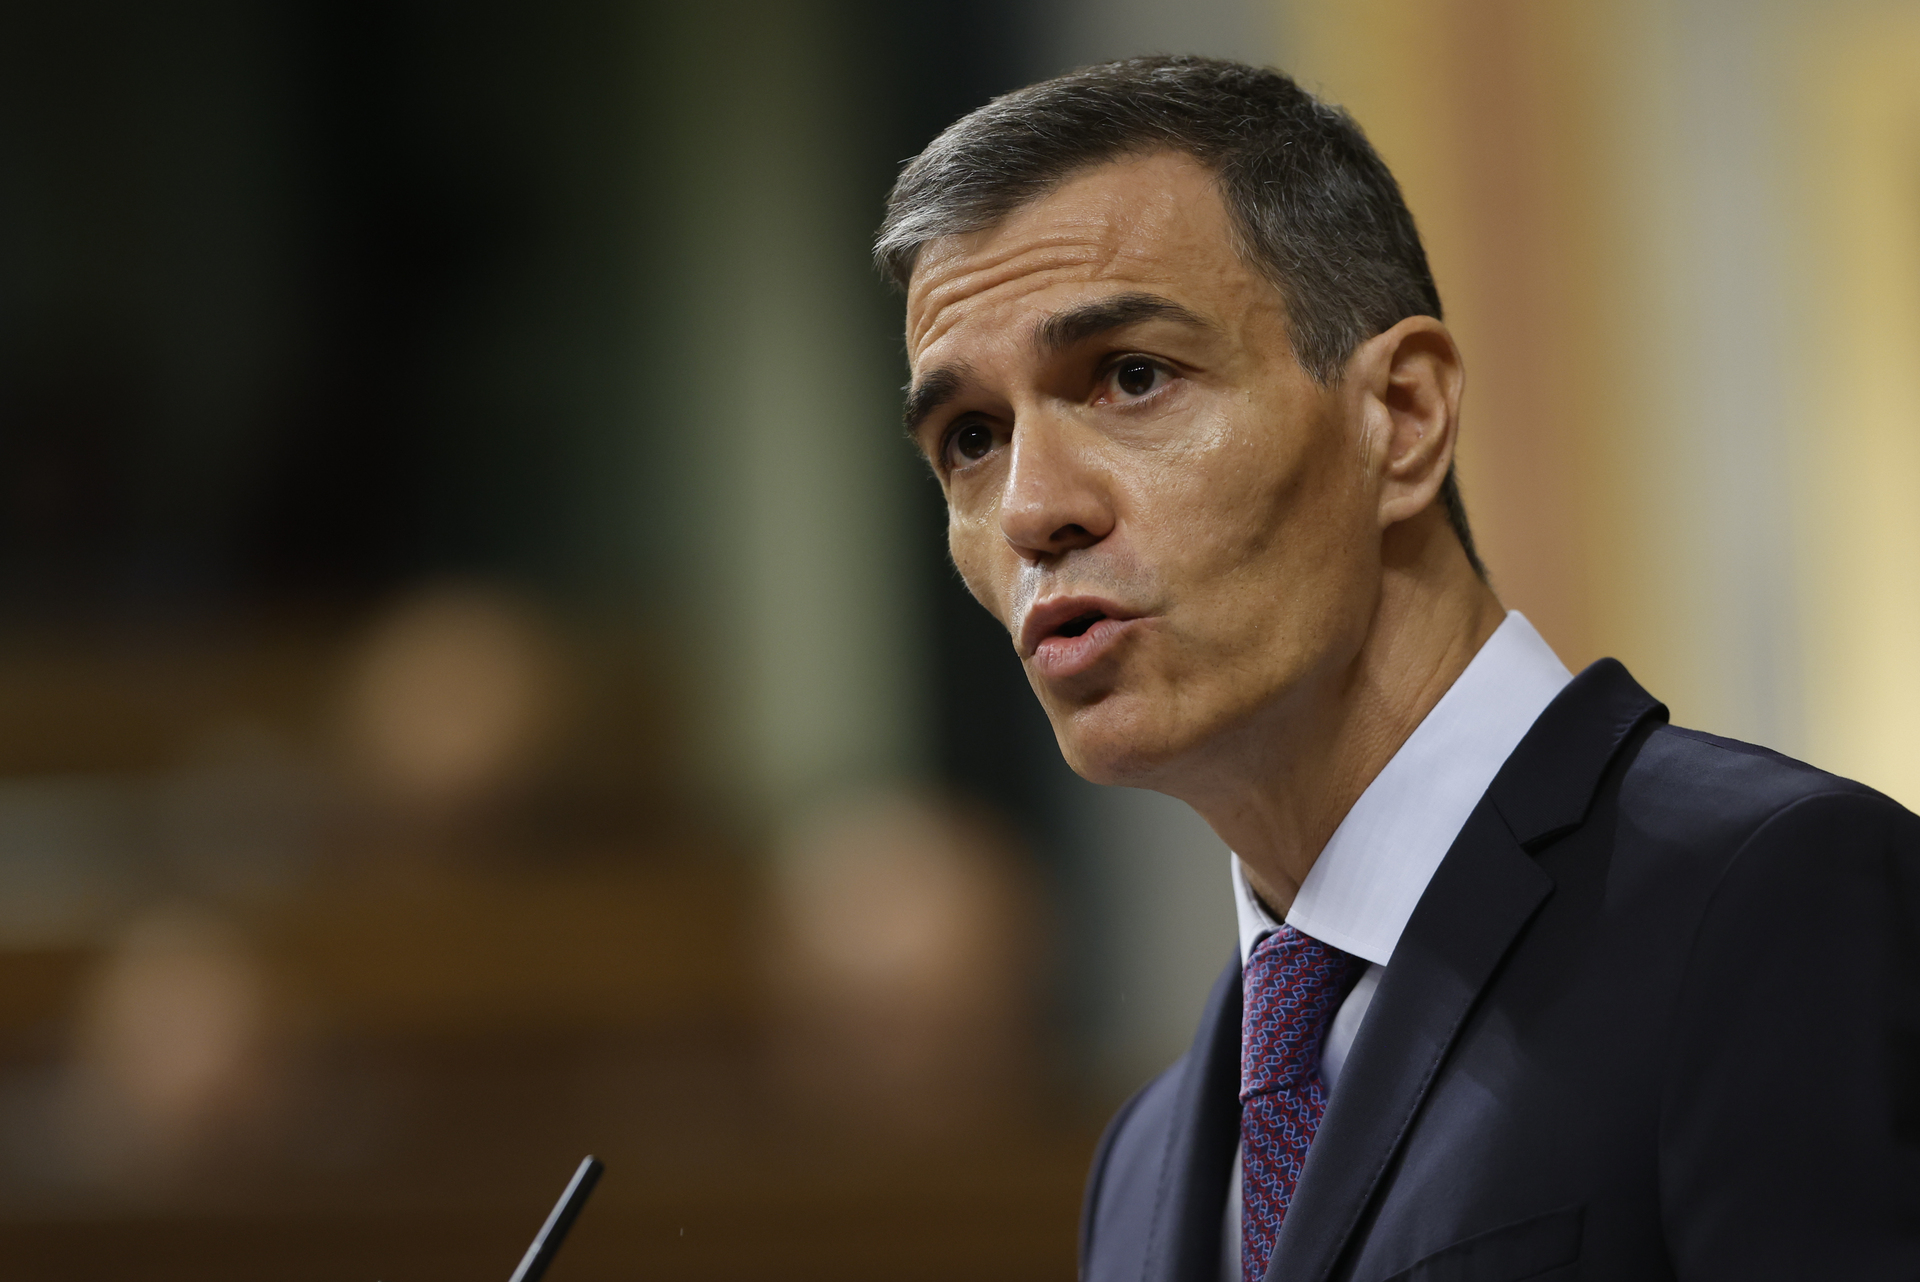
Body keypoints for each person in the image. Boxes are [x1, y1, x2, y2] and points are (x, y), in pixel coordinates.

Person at [873, 55, 1920, 1282]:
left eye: (1132, 376)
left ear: (1405, 416)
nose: (1031, 509)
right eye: (972, 440)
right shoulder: (1145, 1163)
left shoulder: (1766, 899)